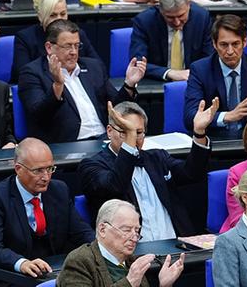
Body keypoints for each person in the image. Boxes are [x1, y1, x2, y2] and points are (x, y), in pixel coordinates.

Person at [0, 138, 95, 283]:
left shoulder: (59, 190)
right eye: (38, 171)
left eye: (50, 169)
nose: (46, 177)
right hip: (4, 274)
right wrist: (22, 263)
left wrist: (103, 249)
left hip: (46, 271)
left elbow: (81, 232)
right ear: (18, 169)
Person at [79, 100, 214, 238]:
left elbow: (192, 174)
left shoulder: (157, 157)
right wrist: (129, 146)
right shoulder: (92, 165)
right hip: (131, 252)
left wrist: (199, 133)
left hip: (176, 245)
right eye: (125, 131)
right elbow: (115, 186)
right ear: (109, 131)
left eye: (138, 132)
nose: (133, 138)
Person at [19, 19, 144, 143]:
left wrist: (129, 84)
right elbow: (38, 115)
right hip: (66, 145)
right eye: (67, 46)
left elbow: (115, 107)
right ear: (49, 47)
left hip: (105, 139)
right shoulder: (32, 73)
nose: (73, 52)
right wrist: (57, 85)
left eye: (77, 45)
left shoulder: (93, 67)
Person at [59, 200, 184, 287]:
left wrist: (164, 285)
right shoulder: (79, 261)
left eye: (137, 230)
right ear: (103, 229)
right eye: (126, 230)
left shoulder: (130, 261)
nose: (134, 237)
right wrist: (129, 282)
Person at [129, 0, 212, 82]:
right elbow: (137, 63)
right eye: (170, 17)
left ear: (189, 5)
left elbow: (209, 58)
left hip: (193, 82)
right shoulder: (144, 21)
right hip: (157, 83)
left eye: (181, 16)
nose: (177, 22)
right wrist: (169, 73)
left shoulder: (201, 18)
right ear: (160, 10)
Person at [11, 0, 103, 77]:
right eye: (53, 15)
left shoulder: (77, 34)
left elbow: (99, 67)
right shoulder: (25, 38)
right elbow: (22, 74)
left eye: (63, 14)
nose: (59, 19)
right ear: (40, 16)